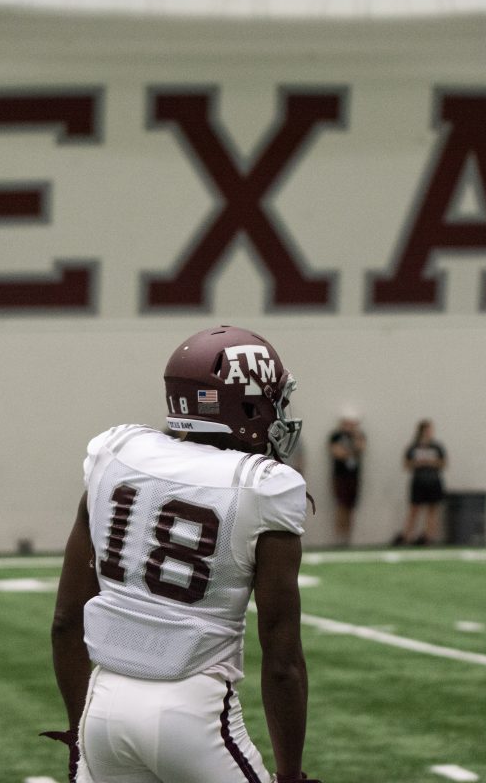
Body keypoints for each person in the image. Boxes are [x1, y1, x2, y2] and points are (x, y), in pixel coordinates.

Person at [47, 325, 319, 783]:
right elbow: (282, 661)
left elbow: (64, 620)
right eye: (271, 398)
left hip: (104, 706)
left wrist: (80, 736)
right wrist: (289, 774)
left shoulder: (116, 452)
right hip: (194, 713)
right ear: (246, 404)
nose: (278, 411)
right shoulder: (262, 486)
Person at [394, 419, 447, 546]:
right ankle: (407, 536)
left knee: (432, 509)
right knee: (414, 509)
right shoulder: (414, 447)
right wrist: (418, 462)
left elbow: (443, 463)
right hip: (419, 481)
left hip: (433, 481)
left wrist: (431, 462)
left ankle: (427, 537)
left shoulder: (437, 447)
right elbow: (406, 464)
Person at [328, 412, 366, 547]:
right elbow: (338, 453)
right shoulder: (336, 436)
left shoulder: (358, 435)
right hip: (340, 476)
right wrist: (351, 451)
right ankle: (339, 537)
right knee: (341, 506)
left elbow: (361, 448)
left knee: (351, 507)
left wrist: (354, 437)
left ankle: (347, 538)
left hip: (353, 476)